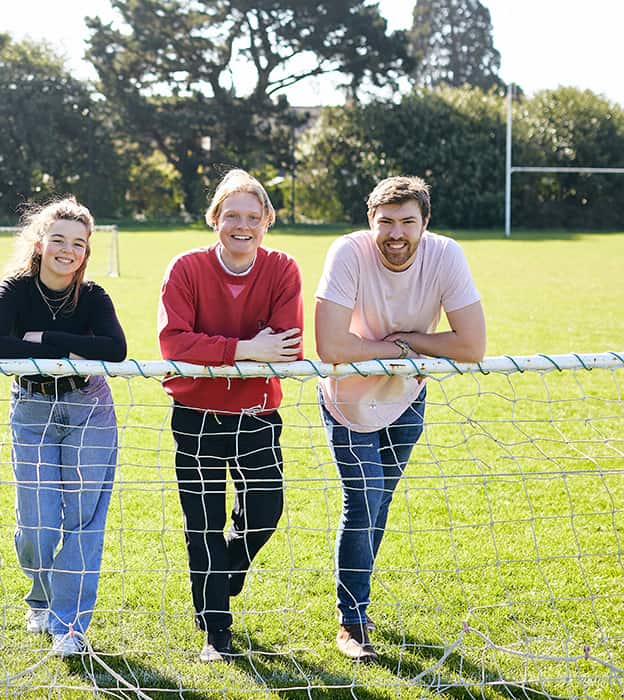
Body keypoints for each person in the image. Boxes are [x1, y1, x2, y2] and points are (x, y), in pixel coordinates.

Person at [315, 176, 485, 660]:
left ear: (424, 224)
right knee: (363, 499)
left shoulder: (445, 254)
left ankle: (359, 605)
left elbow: (471, 345)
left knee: (380, 504)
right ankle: (351, 623)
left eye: (408, 221)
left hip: (407, 399)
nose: (396, 233)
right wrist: (406, 348)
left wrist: (407, 341)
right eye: (385, 221)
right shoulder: (348, 253)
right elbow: (330, 345)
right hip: (347, 401)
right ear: (371, 221)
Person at [157, 169, 303, 662]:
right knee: (202, 523)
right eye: (231, 215)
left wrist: (225, 353)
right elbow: (174, 343)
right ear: (214, 219)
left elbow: (285, 347)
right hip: (196, 411)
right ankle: (215, 630)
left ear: (268, 221)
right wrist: (246, 347)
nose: (242, 225)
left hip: (257, 412)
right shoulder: (186, 268)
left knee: (265, 513)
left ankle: (223, 576)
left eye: (252, 216)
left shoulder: (282, 269)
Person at [0, 197, 126, 657]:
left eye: (78, 243)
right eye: (58, 239)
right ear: (40, 242)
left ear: (86, 251)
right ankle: (40, 596)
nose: (67, 250)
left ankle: (70, 624)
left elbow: (115, 350)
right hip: (33, 411)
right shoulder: (16, 290)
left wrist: (43, 340)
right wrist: (77, 348)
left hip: (89, 410)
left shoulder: (95, 296)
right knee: (38, 527)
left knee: (84, 522)